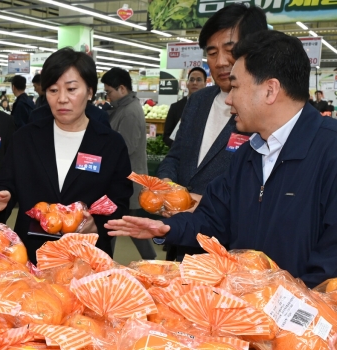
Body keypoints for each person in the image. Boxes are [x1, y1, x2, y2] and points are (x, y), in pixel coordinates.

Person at [106, 31, 337, 288]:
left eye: (236, 87)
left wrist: (290, 306)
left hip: (304, 319)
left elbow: (331, 261)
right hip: (244, 310)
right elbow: (214, 219)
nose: (228, 99)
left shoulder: (330, 152)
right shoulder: (248, 156)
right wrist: (167, 228)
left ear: (270, 90)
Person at [0, 48, 133, 261]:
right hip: (32, 255)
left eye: (72, 89)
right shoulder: (25, 138)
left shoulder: (110, 144)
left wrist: (96, 224)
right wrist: (3, 195)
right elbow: (5, 183)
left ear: (90, 92)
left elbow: (119, 201)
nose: (62, 99)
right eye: (53, 90)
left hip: (86, 257)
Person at [156, 4, 268, 261]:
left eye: (230, 50)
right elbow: (177, 155)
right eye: (212, 52)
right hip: (181, 242)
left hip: (229, 252)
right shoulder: (198, 101)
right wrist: (167, 188)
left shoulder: (262, 113)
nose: (220, 62)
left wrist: (205, 203)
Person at [101, 67, 156, 260]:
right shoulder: (122, 108)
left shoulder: (130, 112)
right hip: (125, 178)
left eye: (109, 92)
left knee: (123, 224)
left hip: (129, 179)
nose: (108, 96)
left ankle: (151, 261)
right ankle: (150, 260)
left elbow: (127, 147)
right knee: (124, 224)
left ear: (122, 88)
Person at [163, 67, 207, 147]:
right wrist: (179, 147)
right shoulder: (175, 107)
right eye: (192, 79)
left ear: (205, 83)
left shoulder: (210, 106)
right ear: (187, 83)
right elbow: (166, 136)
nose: (194, 83)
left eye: (199, 80)